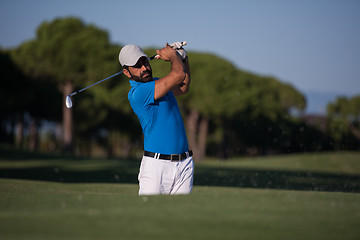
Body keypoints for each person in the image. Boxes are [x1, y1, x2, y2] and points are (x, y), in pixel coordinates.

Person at [118, 42, 194, 195]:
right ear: (127, 72)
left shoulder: (157, 83)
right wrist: (173, 55)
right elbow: (178, 75)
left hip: (184, 164)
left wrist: (183, 59)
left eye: (144, 61)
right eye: (137, 66)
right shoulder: (138, 93)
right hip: (156, 167)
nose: (144, 68)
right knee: (148, 217)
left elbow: (183, 86)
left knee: (180, 217)